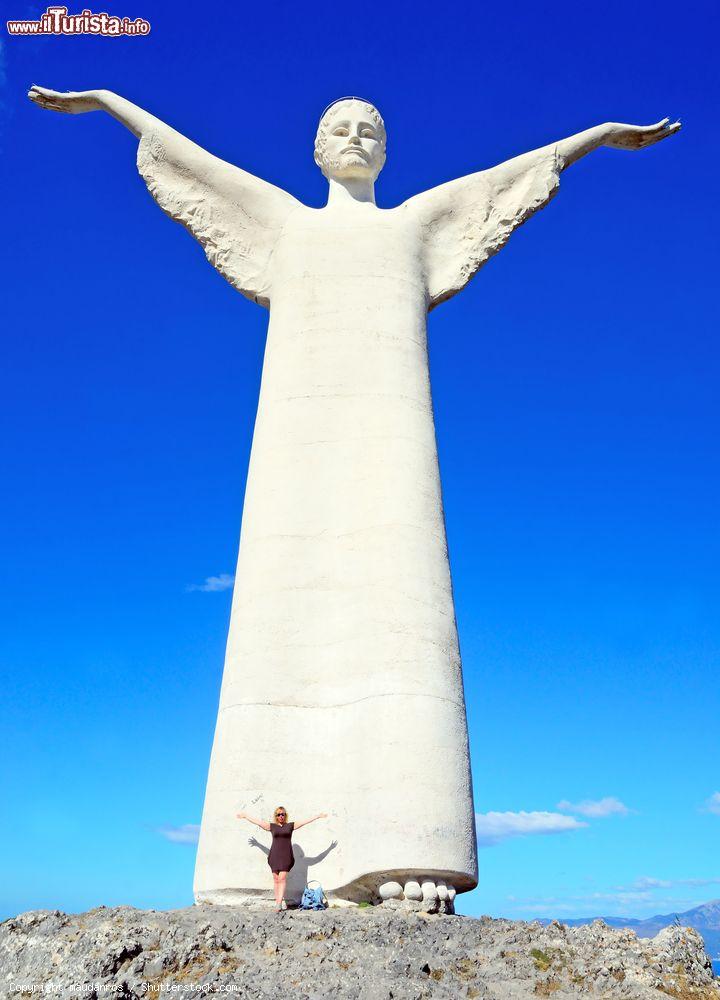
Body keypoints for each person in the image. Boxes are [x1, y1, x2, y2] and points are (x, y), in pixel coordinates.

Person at [236, 807, 328, 911]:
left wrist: (317, 816)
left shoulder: (290, 826)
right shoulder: (272, 826)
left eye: (283, 814)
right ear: (276, 816)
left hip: (286, 857)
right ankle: (277, 902)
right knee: (276, 880)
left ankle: (279, 904)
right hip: (274, 856)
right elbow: (259, 822)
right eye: (279, 814)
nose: (281, 816)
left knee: (282, 878)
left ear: (285, 815)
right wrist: (246, 816)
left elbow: (304, 822)